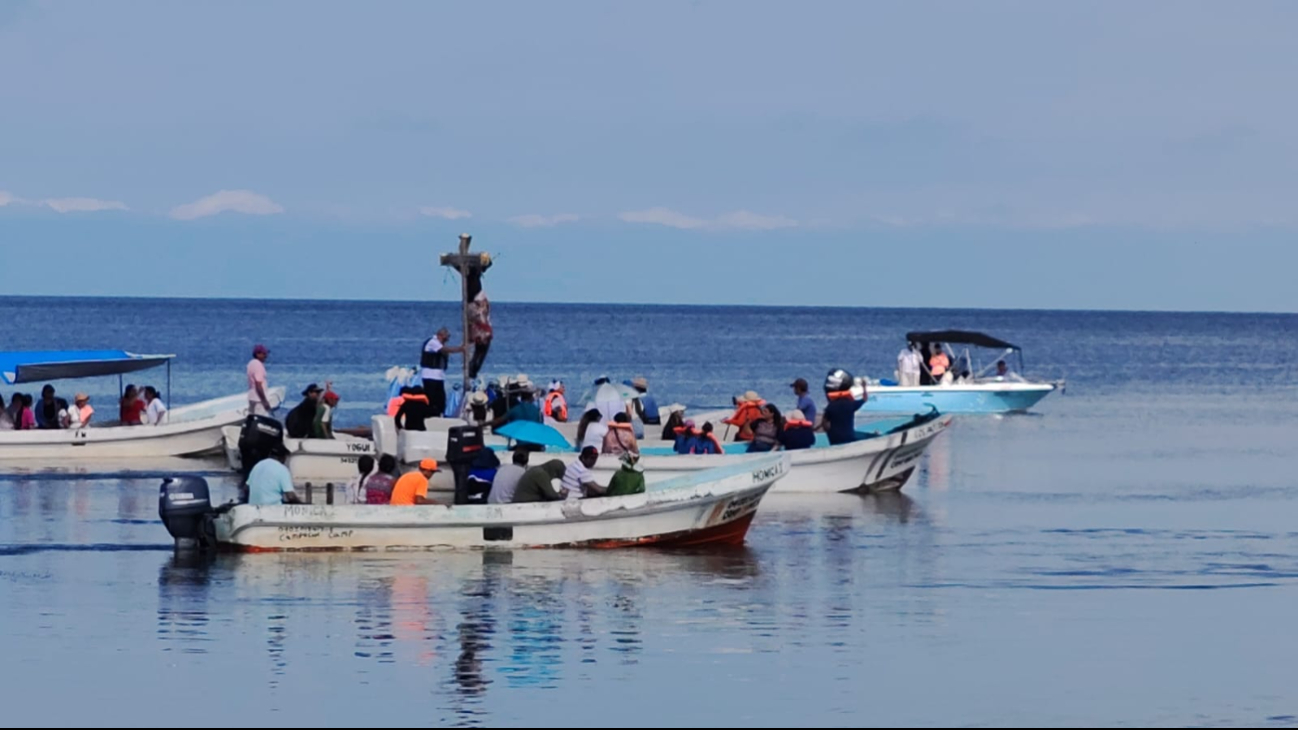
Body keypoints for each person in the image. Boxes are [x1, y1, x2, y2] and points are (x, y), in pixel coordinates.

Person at [420, 328, 465, 419]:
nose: (448, 339)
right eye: (447, 336)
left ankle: (438, 414)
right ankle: (428, 415)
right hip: (430, 376)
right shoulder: (433, 342)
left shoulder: (439, 344)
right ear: (440, 335)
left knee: (440, 399)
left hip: (439, 377)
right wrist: (460, 349)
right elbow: (445, 350)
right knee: (430, 397)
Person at [819, 368, 867, 446]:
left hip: (834, 440)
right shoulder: (851, 404)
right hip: (849, 438)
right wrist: (864, 387)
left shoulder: (830, 407)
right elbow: (865, 399)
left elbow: (825, 424)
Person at [466, 268, 493, 380]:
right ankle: (473, 369)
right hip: (480, 328)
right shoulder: (477, 301)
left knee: (479, 349)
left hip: (477, 325)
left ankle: (473, 368)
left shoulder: (474, 301)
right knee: (482, 348)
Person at [247, 344, 274, 416]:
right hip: (259, 400)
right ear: (258, 354)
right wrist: (264, 401)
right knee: (262, 420)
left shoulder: (251, 363)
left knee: (253, 418)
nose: (266, 356)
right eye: (264, 354)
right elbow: (258, 385)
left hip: (252, 397)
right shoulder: (258, 365)